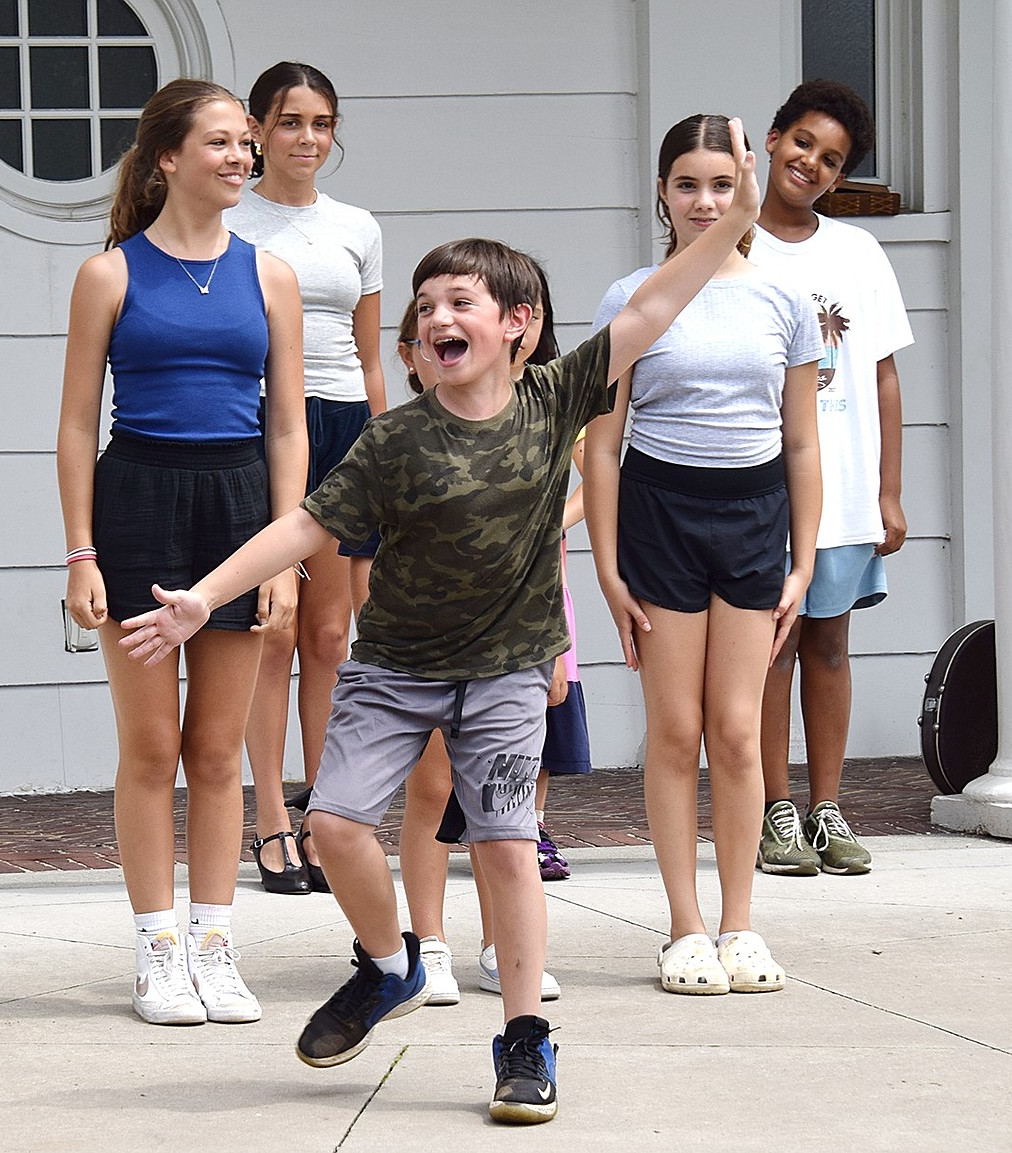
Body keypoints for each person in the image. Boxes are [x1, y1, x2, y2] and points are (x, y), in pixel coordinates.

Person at [118, 139, 759, 1121]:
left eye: (460, 302)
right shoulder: (394, 439)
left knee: (504, 842)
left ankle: (523, 1042)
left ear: (517, 324)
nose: (437, 316)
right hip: (396, 666)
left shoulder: (554, 400)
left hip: (503, 669)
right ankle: (388, 964)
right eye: (424, 309)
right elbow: (303, 524)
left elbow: (647, 311)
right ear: (412, 348)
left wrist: (728, 221)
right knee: (331, 826)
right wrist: (208, 594)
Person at [56, 78, 307, 1025]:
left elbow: (288, 427)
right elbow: (78, 426)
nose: (243, 157)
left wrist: (284, 550)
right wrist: (81, 552)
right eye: (222, 143)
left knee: (218, 750)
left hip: (240, 510)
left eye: (247, 142)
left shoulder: (269, 275)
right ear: (167, 158)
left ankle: (214, 943)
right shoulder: (110, 274)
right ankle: (157, 948)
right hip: (138, 507)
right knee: (152, 745)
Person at [585, 113, 822, 997]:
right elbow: (603, 445)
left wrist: (802, 561)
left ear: (747, 190)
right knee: (676, 730)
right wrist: (608, 569)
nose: (705, 201)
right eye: (687, 184)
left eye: (722, 184)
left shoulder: (785, 298)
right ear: (661, 192)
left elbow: (802, 443)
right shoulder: (631, 295)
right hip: (660, 515)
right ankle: (683, 928)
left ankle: (739, 922)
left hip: (754, 519)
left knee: (737, 729)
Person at [226, 62, 386, 894]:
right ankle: (270, 822)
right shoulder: (233, 218)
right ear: (258, 129)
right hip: (263, 425)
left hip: (345, 429)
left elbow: (369, 355)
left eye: (321, 122)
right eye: (290, 122)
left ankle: (325, 814)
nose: (308, 139)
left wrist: (389, 449)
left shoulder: (357, 226)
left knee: (329, 637)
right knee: (272, 631)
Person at [753, 80, 913, 877]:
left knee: (829, 642)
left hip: (844, 486)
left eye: (832, 159)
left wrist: (887, 489)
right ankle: (771, 809)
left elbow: (881, 377)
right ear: (774, 138)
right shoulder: (729, 241)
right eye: (803, 143)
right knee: (770, 648)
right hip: (759, 486)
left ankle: (826, 806)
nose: (811, 163)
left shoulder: (857, 253)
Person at [391, 286, 566, 1006]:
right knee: (431, 788)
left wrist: (554, 653)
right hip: (425, 645)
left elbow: (550, 539)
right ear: (411, 358)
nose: (442, 337)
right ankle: (427, 941)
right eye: (426, 331)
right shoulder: (399, 443)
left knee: (508, 805)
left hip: (517, 642)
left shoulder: (531, 431)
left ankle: (504, 946)